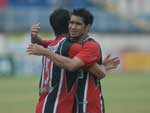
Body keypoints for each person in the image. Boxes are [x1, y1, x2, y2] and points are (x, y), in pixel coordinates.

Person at [28, 8, 120, 113]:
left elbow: (75, 65)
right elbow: (99, 71)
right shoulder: (65, 45)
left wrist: (43, 48)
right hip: (69, 106)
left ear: (87, 27)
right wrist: (102, 67)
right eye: (71, 23)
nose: (73, 27)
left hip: (88, 106)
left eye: (78, 24)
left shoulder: (89, 46)